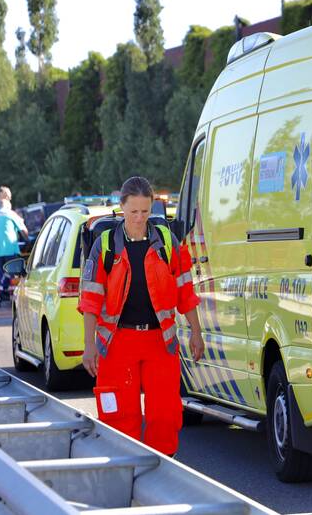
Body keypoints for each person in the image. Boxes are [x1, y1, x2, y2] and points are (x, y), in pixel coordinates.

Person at [79, 176, 204, 456]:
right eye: (133, 211)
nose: (139, 218)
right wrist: (89, 346)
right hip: (117, 344)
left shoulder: (167, 243)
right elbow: (90, 300)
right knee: (120, 417)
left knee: (165, 415)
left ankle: (162, 470)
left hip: (160, 343)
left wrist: (196, 332)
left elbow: (185, 290)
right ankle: (125, 471)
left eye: (145, 211)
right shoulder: (106, 245)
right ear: (121, 207)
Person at [0, 186, 28, 307]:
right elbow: (24, 231)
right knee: (12, 272)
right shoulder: (11, 214)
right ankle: (11, 293)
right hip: (9, 249)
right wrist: (27, 239)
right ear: (8, 200)